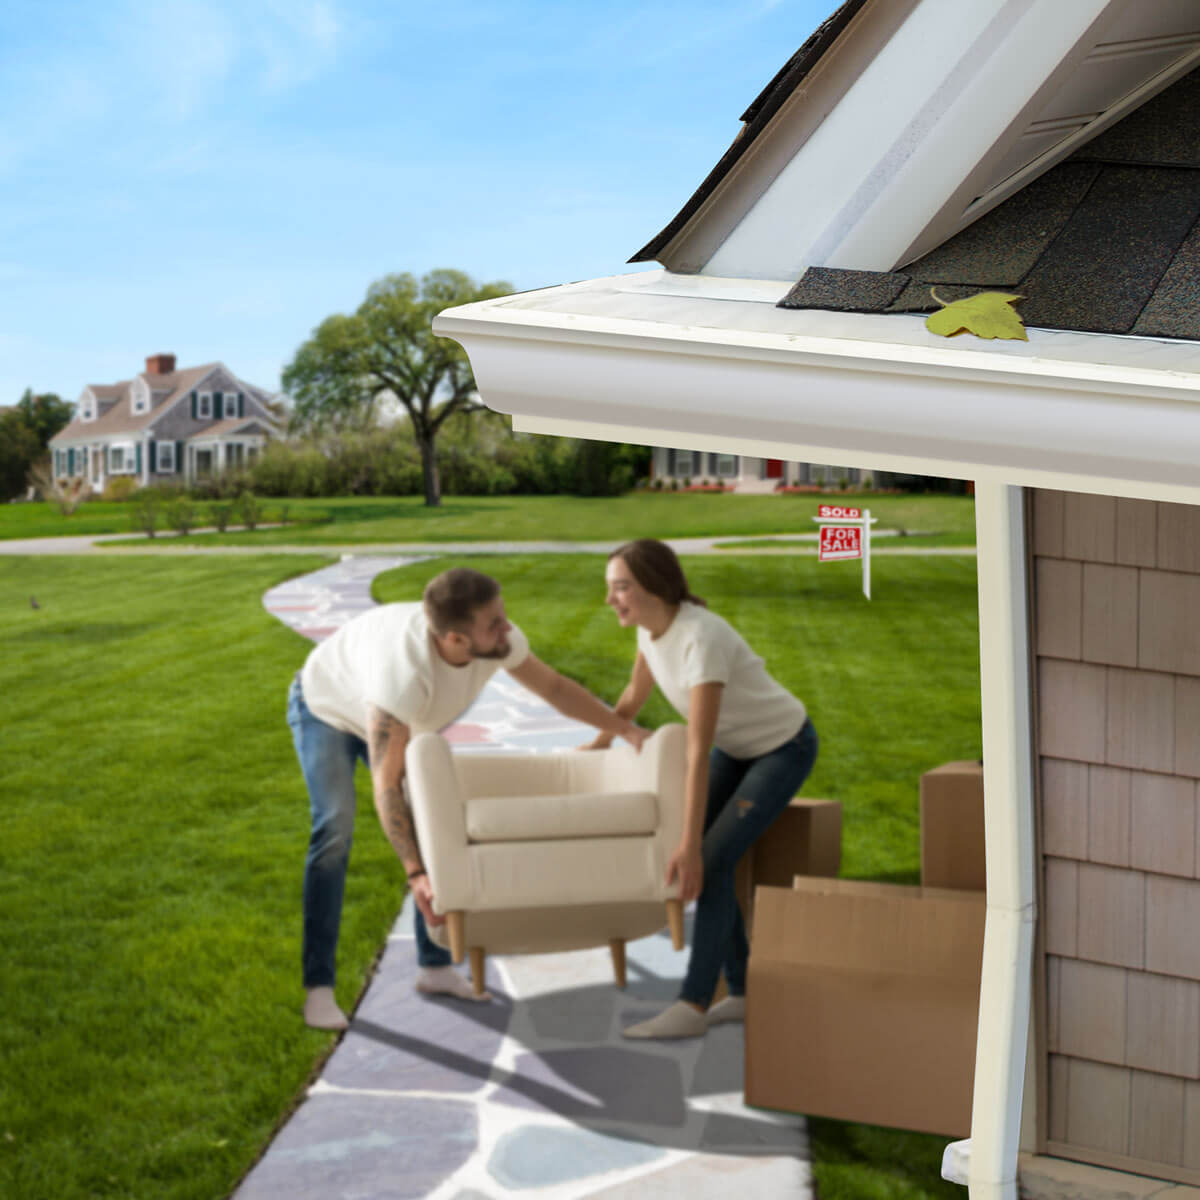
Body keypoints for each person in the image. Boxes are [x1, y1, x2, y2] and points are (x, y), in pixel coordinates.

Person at [288, 566, 648, 1030]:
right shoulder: (403, 675)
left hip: (400, 718)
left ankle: (434, 967)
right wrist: (415, 873)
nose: (507, 628)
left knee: (437, 819)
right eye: (494, 623)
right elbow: (386, 784)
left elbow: (554, 687)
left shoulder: (497, 641)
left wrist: (623, 729)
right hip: (328, 709)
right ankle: (319, 988)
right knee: (335, 827)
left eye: (501, 616)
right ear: (456, 640)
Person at [587, 539, 818, 1039]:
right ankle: (742, 991)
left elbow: (696, 750)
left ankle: (693, 1006)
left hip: (783, 747)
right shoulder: (651, 630)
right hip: (737, 750)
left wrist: (690, 847)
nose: (611, 600)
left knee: (707, 861)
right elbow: (631, 697)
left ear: (655, 585)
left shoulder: (700, 638)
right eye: (610, 589)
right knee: (708, 859)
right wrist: (596, 745)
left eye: (621, 587)